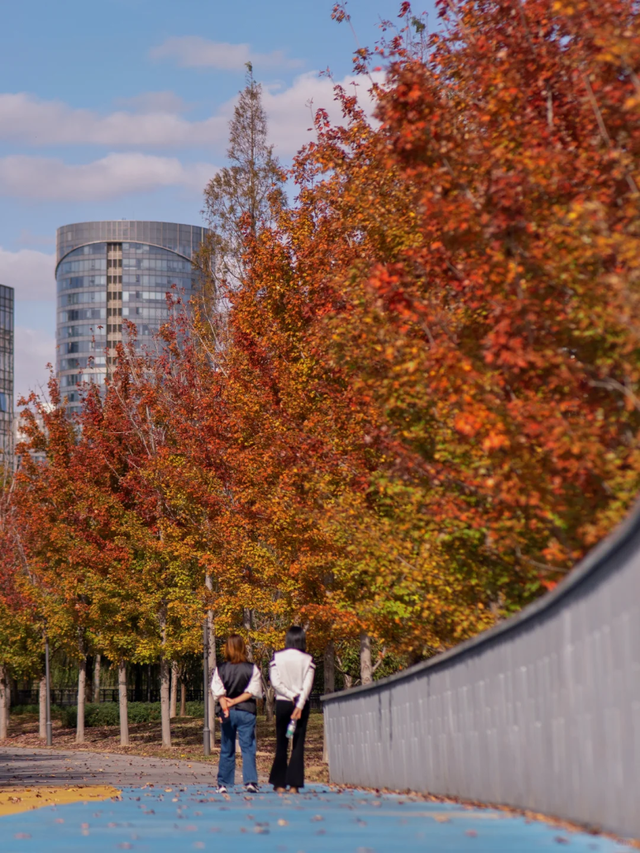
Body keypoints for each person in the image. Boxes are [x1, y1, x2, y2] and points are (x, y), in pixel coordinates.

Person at [210, 634, 263, 794]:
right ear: (243, 648)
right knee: (248, 747)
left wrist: (226, 706)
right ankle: (250, 782)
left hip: (228, 713)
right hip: (247, 711)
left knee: (227, 747)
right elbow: (252, 691)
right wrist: (237, 701)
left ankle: (223, 783)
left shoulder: (221, 668)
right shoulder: (252, 668)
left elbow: (219, 693)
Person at [268, 625, 316, 793]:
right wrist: (300, 703)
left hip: (283, 702)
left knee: (281, 742)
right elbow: (307, 685)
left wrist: (290, 695)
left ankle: (279, 783)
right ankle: (295, 785)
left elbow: (275, 682)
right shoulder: (308, 660)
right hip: (301, 704)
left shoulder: (277, 658)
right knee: (298, 743)